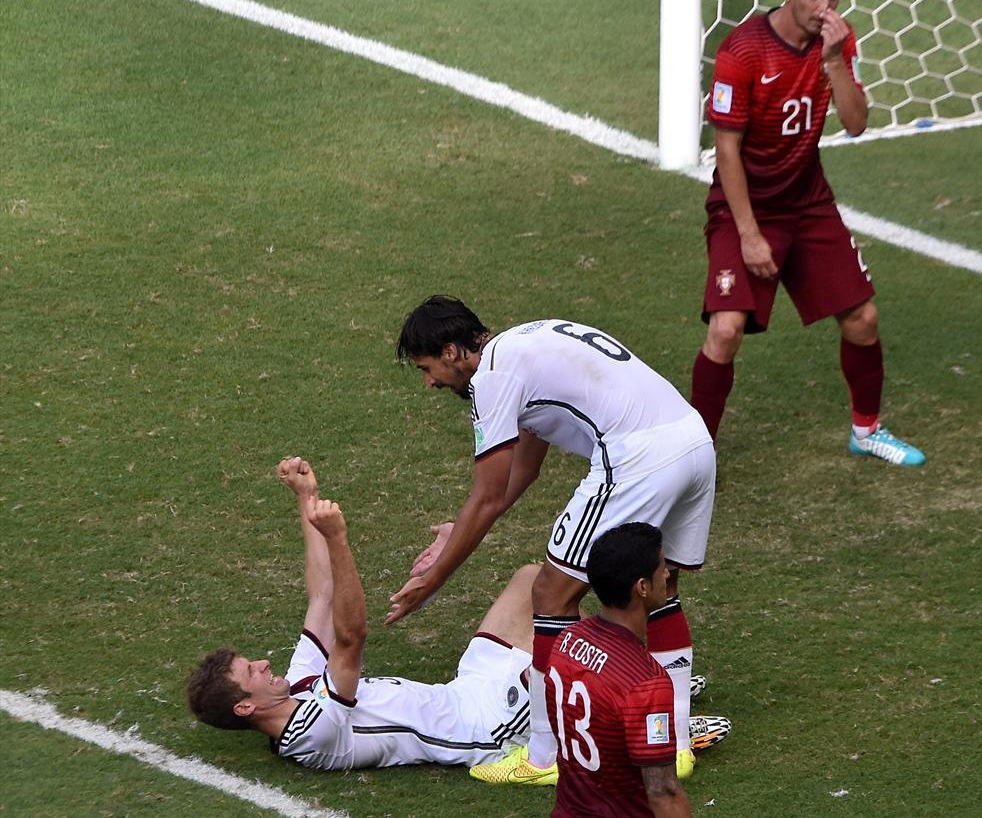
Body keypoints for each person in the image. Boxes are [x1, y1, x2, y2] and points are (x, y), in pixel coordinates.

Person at [387, 296, 728, 785]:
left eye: (427, 368)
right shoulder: (527, 344)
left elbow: (486, 497)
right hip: (694, 443)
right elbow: (521, 472)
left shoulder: (492, 377)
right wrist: (451, 539)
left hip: (637, 457)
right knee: (662, 590)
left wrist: (434, 581)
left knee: (550, 595)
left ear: (451, 351)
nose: (429, 382)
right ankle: (671, 745)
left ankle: (544, 757)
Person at [689, 0, 926, 467]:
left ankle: (867, 431)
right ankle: (694, 457)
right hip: (745, 205)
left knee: (862, 319)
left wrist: (836, 61)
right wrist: (749, 235)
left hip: (809, 201)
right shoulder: (742, 50)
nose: (827, 8)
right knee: (725, 330)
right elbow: (726, 150)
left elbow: (858, 125)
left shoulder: (838, 42)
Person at [185, 457, 536, 770]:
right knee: (563, 653)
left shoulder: (301, 687)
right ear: (245, 708)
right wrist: (337, 538)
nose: (262, 663)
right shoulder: (311, 734)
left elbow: (322, 596)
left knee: (532, 581)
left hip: (469, 687)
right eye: (251, 672)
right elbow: (352, 637)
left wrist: (307, 497)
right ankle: (549, 754)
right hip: (489, 724)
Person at [545, 523, 693, 817]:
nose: (666, 575)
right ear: (642, 587)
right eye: (661, 568)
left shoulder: (567, 641)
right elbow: (662, 789)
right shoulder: (646, 683)